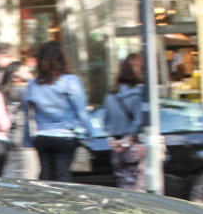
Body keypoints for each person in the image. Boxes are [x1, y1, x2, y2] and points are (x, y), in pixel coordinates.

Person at [22, 41, 96, 182]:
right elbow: (81, 111)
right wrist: (90, 132)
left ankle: (44, 201)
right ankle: (60, 203)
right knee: (62, 174)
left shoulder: (33, 84)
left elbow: (27, 113)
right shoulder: (71, 81)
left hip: (42, 135)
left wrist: (27, 138)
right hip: (65, 135)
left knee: (45, 174)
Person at [102, 53, 147, 190]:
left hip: (116, 147)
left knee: (122, 183)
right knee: (135, 187)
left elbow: (106, 119)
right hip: (131, 146)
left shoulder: (111, 93)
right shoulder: (137, 94)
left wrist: (114, 141)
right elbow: (138, 120)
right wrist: (126, 141)